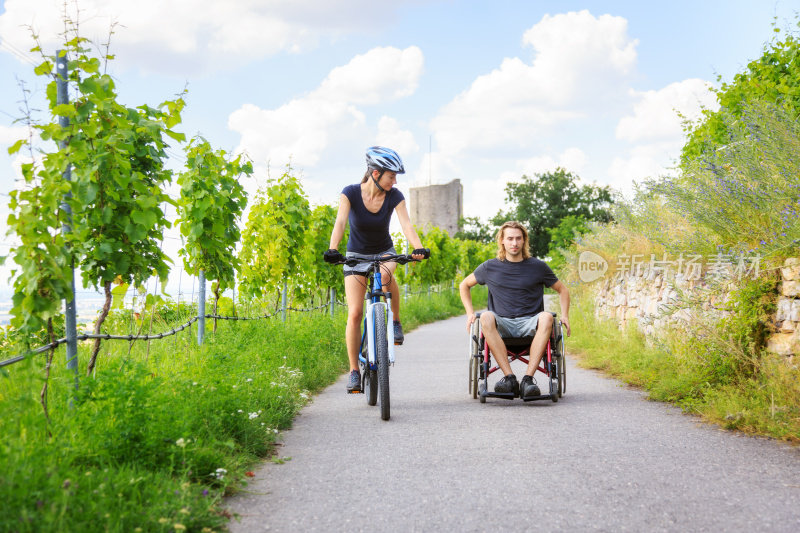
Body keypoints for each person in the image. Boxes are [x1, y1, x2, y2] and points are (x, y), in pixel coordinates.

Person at [324, 146, 429, 393]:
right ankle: (353, 371)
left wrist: (418, 247)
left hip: (384, 251)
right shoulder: (350, 193)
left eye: (395, 177)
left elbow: (406, 224)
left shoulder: (395, 195)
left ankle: (395, 320)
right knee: (355, 313)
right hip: (355, 256)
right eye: (391, 176)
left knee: (384, 274)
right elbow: (340, 222)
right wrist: (333, 248)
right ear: (375, 173)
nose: (395, 181)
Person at [459, 220, 570, 398]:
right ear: (502, 240)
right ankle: (509, 377)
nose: (514, 243)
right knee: (486, 316)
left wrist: (565, 316)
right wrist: (470, 313)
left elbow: (562, 290)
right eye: (510, 238)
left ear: (524, 241)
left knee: (547, 317)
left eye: (518, 238)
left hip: (531, 323)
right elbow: (464, 285)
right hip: (502, 324)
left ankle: (528, 379)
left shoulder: (538, 266)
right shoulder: (489, 267)